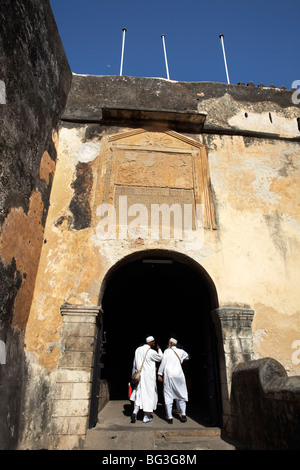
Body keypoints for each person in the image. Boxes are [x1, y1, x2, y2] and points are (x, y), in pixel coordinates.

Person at [130, 336, 163, 423]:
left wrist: (134, 374)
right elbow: (160, 358)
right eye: (154, 342)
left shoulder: (138, 350)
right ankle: (146, 417)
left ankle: (135, 412)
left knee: (139, 394)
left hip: (139, 376)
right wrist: (159, 349)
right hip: (148, 378)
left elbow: (134, 363)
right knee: (149, 396)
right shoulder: (151, 352)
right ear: (151, 342)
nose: (154, 343)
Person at [158, 338, 189, 424]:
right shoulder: (181, 351)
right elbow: (188, 356)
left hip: (169, 376)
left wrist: (159, 373)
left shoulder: (167, 351)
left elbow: (163, 362)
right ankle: (183, 415)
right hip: (179, 375)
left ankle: (170, 417)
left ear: (170, 343)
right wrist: (181, 360)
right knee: (181, 394)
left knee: (168, 395)